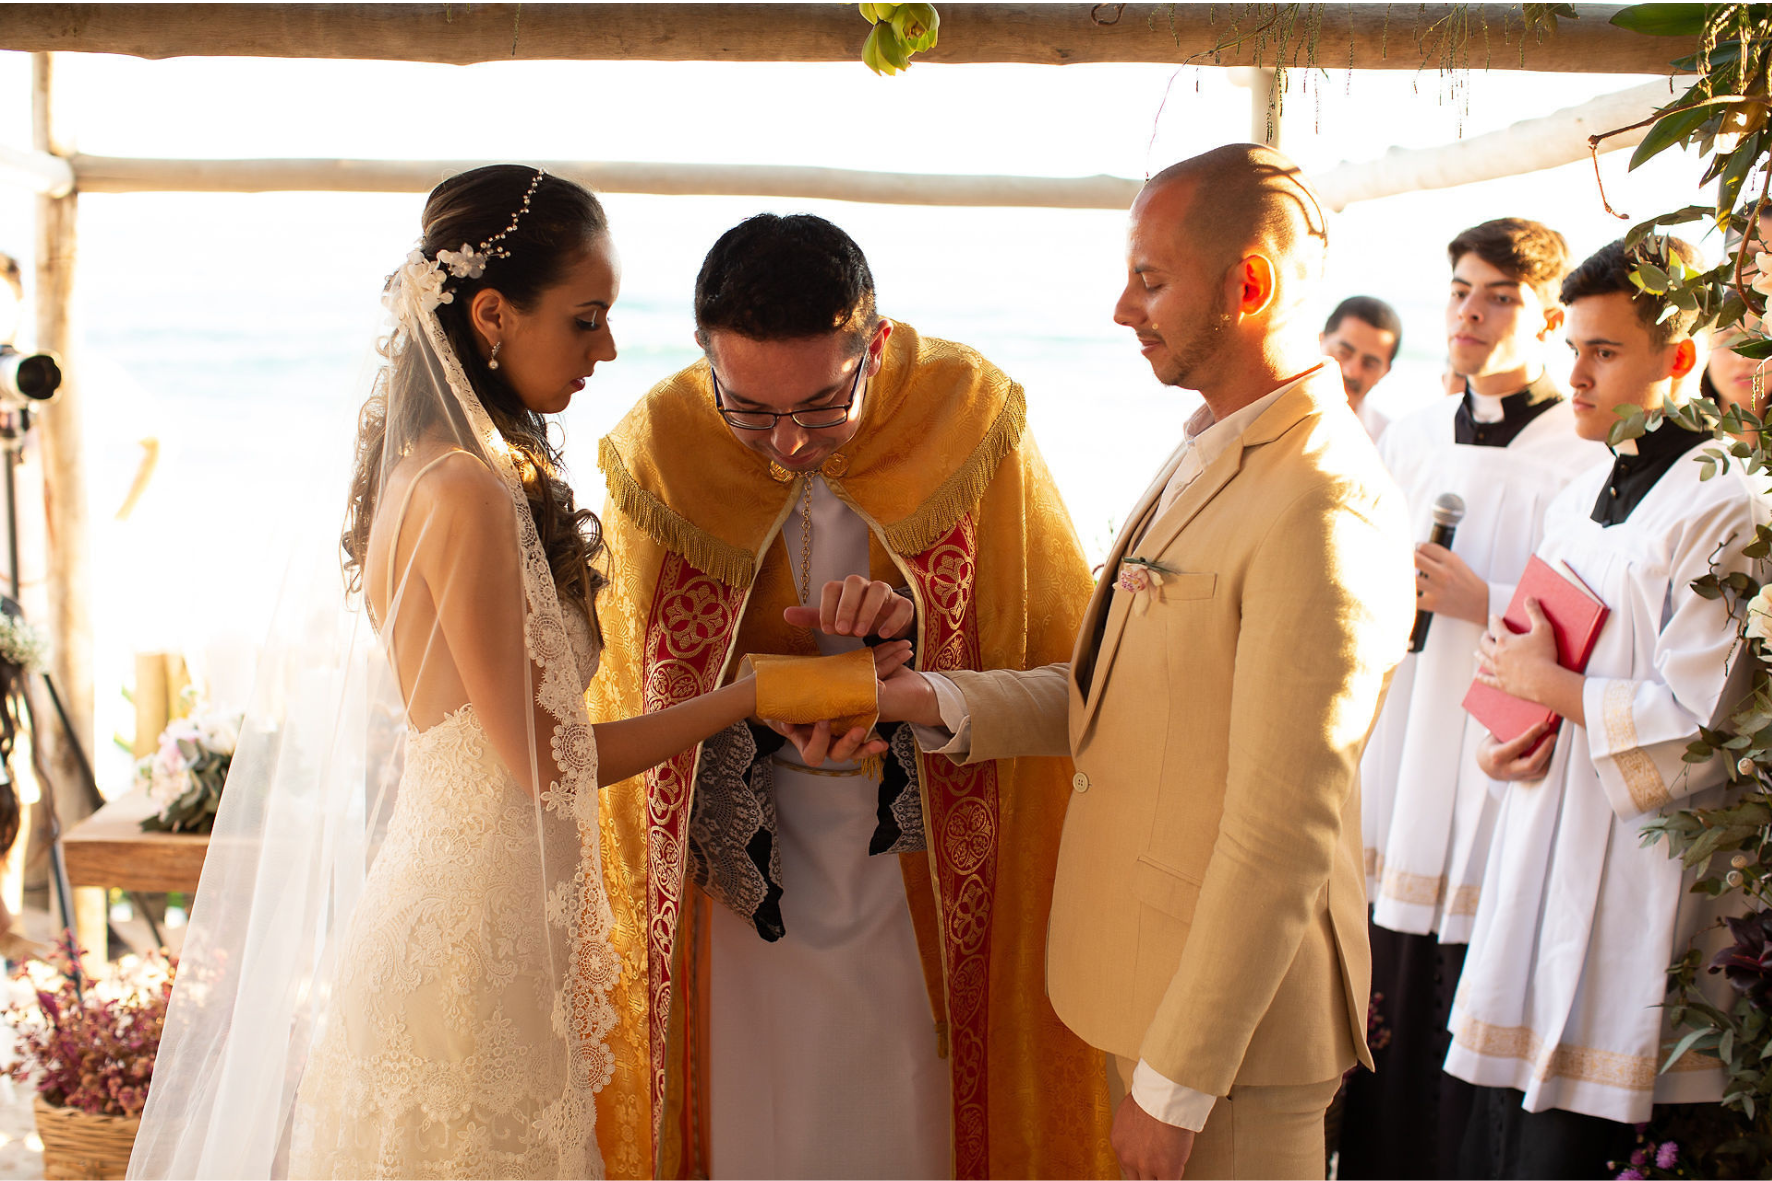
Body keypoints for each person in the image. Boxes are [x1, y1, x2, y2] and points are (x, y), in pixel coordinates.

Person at [129, 168, 907, 1180]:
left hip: (485, 918)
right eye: (586, 319)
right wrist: (749, 692)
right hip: (470, 948)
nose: (610, 349)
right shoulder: (464, 493)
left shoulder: (435, 464)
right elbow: (546, 758)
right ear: (492, 314)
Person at [867, 143, 1415, 1180]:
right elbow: (1120, 699)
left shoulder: (1319, 503)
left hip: (1228, 1047)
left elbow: (1281, 827)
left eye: (1149, 279)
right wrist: (922, 699)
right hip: (1159, 987)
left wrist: (1174, 1085)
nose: (1123, 308)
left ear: (1245, 285)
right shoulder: (1214, 444)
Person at [585, 213, 1115, 1179]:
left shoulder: (967, 415)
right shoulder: (665, 444)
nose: (787, 443)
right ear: (705, 358)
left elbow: (1052, 649)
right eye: (747, 409)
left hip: (909, 863)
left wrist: (906, 641)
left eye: (823, 408)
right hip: (740, 879)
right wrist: (767, 714)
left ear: (873, 346)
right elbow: (635, 675)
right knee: (753, 1116)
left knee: (902, 1110)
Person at [1447, 236, 1758, 1177]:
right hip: (1540, 837)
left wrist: (1552, 688)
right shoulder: (1581, 493)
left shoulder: (1723, 505)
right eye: (1573, 347)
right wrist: (1502, 740)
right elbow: (1529, 650)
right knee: (1489, 1135)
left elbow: (1706, 724)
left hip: (1636, 867)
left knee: (1573, 1145)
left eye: (1604, 352)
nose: (1573, 374)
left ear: (1676, 354)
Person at [1340, 217, 1593, 1179]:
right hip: (1403, 753)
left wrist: (1480, 598)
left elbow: (1586, 613)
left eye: (1499, 296)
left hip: (1494, 760)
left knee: (1464, 1050)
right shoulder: (1406, 437)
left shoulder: (1577, 453)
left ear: (1546, 315)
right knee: (1383, 1028)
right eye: (1458, 290)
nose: (1470, 312)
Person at [1320, 295, 1402, 439]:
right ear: (1320, 341)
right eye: (1343, 353)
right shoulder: (1273, 408)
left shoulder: (1389, 442)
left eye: (1369, 364)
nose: (1351, 372)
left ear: (1385, 372)